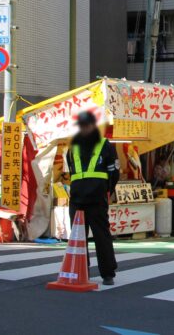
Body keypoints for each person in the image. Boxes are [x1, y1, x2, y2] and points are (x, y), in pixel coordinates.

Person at [66, 111, 120, 285]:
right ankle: (98, 272)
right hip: (90, 197)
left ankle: (101, 273)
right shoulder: (104, 146)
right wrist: (108, 190)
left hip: (83, 197)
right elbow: (114, 173)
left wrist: (107, 191)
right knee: (93, 236)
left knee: (92, 236)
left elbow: (114, 172)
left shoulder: (101, 145)